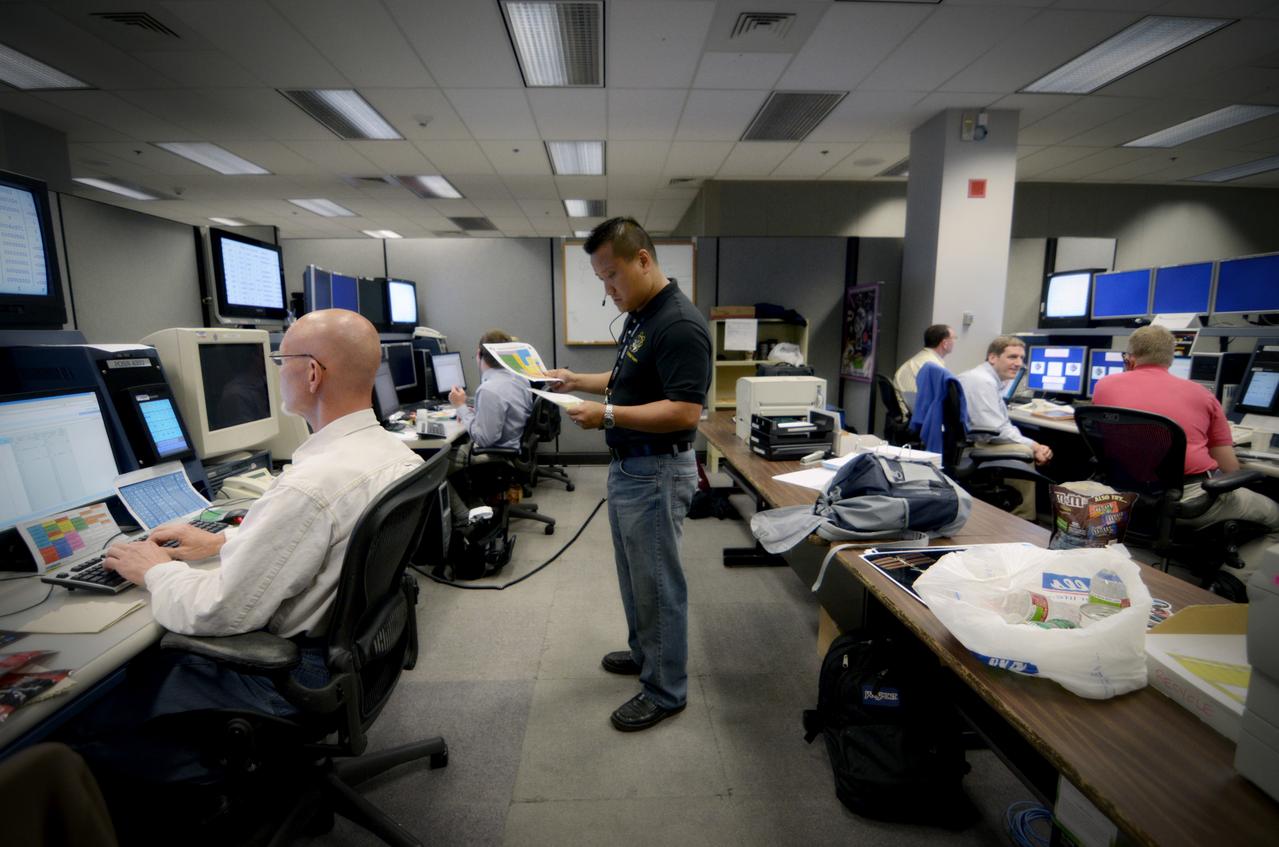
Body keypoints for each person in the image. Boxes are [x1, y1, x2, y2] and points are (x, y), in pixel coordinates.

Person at [92, 309, 424, 739]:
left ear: (311, 374)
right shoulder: (394, 455)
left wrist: (154, 570)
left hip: (295, 675)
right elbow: (332, 536)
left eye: (281, 361)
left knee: (101, 718)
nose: (276, 373)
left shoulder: (310, 486)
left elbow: (220, 612)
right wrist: (223, 541)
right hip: (357, 657)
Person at [547, 217, 711, 732]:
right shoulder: (643, 315)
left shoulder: (678, 324)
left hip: (657, 470)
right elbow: (627, 380)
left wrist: (608, 416)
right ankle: (646, 655)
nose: (608, 289)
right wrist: (577, 380)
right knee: (636, 577)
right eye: (601, 279)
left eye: (612, 275)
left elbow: (684, 411)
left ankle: (665, 690)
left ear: (643, 260)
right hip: (632, 468)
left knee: (658, 583)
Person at [1093, 325, 1279, 582]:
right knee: (1276, 518)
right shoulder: (1202, 394)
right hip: (1187, 498)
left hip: (1124, 493)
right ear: (1171, 359)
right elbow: (1230, 469)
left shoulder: (1105, 385)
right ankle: (1231, 582)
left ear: (1130, 359)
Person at [956, 336, 1052, 520]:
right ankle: (1021, 518)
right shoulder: (982, 381)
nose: (1019, 363)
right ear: (993, 357)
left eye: (1021, 358)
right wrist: (1034, 446)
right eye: (1012, 357)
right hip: (976, 444)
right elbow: (995, 430)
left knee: (1027, 444)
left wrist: (1034, 444)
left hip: (977, 439)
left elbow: (1002, 425)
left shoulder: (985, 378)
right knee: (1024, 452)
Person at [446, 329, 533, 528]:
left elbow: (484, 439)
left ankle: (464, 518)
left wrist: (460, 406)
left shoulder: (489, 389)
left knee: (433, 467)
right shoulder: (520, 379)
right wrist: (474, 413)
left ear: (479, 354)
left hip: (494, 453)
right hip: (514, 446)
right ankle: (474, 504)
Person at [894, 324, 956, 409]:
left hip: (904, 410)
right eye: (953, 338)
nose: (955, 342)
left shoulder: (919, 359)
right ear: (945, 343)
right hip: (915, 413)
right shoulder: (934, 366)